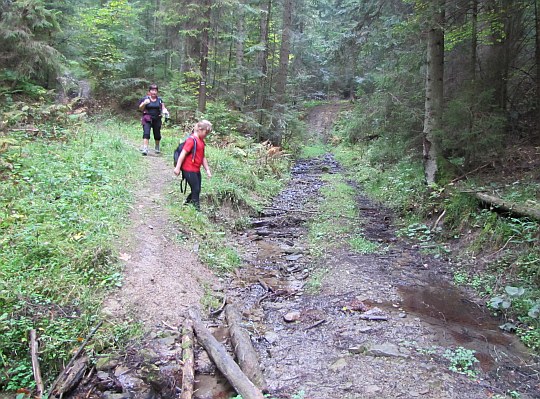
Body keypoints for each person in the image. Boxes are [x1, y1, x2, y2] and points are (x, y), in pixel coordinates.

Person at [173, 120, 213, 210]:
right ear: (199, 129)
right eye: (205, 132)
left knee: (197, 189)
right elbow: (183, 153)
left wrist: (207, 170)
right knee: (195, 190)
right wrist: (177, 168)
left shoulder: (201, 141)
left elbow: (202, 157)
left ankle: (186, 205)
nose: (206, 135)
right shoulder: (191, 140)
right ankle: (196, 210)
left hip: (196, 170)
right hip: (188, 169)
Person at [138, 84, 169, 156]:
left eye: (155, 90)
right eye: (152, 90)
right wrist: (144, 104)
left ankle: (157, 147)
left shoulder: (159, 100)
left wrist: (165, 111)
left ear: (157, 92)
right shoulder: (145, 99)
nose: (154, 92)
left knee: (157, 134)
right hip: (147, 118)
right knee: (146, 132)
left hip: (157, 118)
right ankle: (145, 148)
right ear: (149, 91)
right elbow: (140, 109)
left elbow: (163, 107)